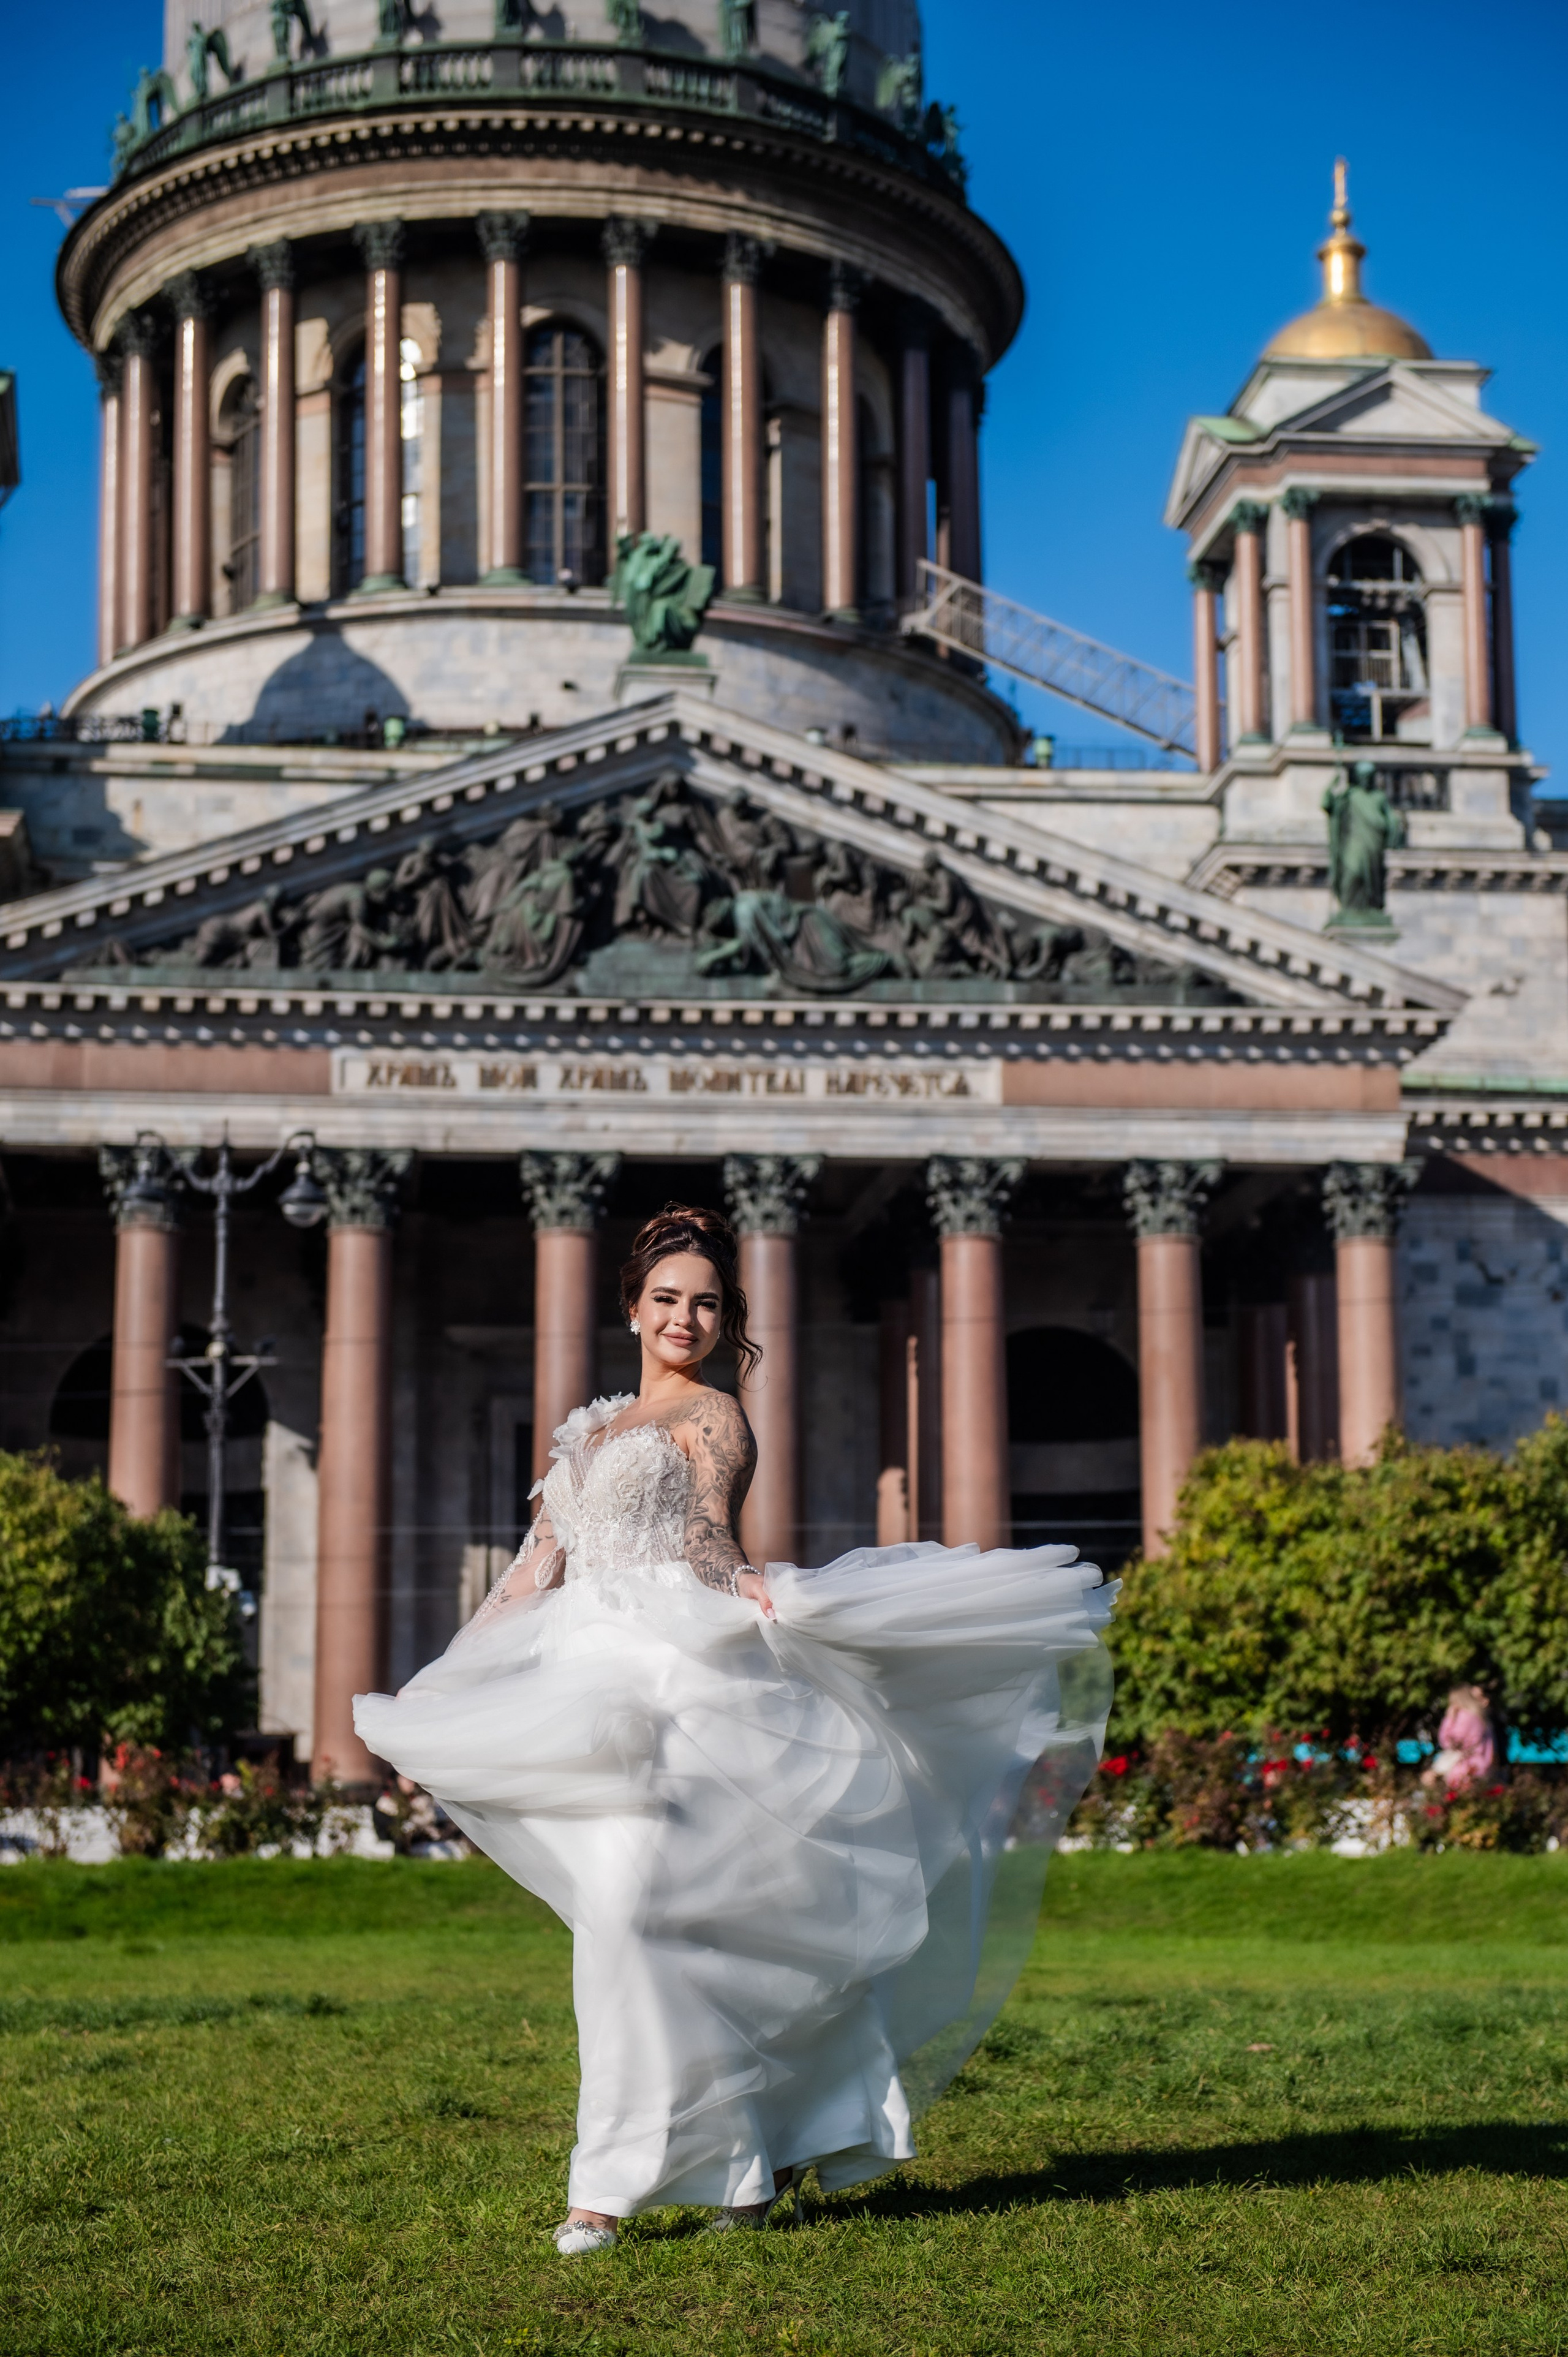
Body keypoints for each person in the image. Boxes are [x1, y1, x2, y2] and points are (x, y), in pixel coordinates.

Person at [354, 1205, 1114, 2254]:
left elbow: (710, 1529)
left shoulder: (715, 1417)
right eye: (668, 1298)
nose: (686, 1317)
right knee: (635, 1924)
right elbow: (536, 1569)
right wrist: (440, 1681)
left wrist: (748, 1582)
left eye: (706, 1304)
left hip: (685, 1680)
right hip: (582, 1687)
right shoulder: (588, 1428)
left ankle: (606, 2192)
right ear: (632, 1308)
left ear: (725, 1322)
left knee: (646, 1916)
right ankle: (745, 2169)